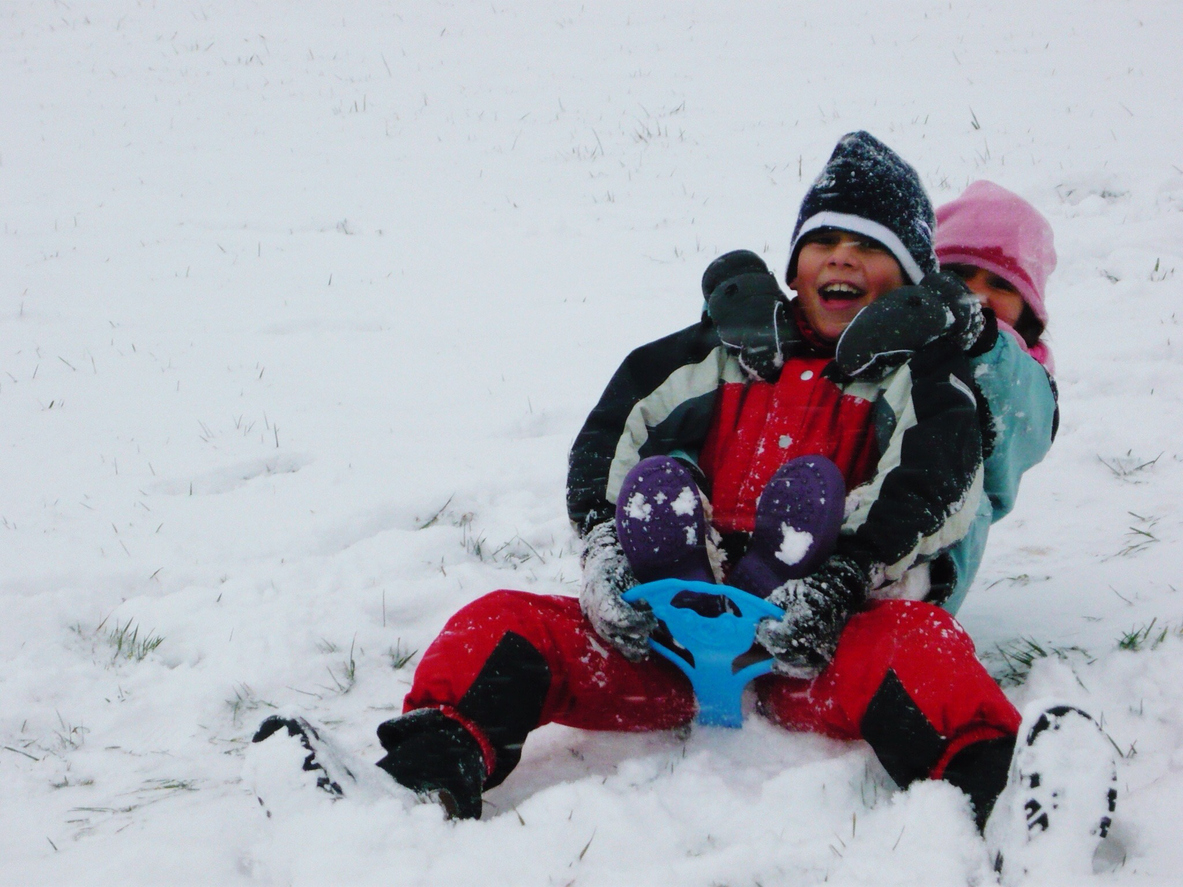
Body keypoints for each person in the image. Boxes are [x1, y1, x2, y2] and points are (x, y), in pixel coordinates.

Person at [251, 134, 1112, 881]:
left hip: (815, 647)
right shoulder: (720, 357)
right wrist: (604, 550)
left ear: (913, 279)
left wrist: (845, 579)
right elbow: (612, 436)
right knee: (501, 624)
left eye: (869, 246)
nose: (841, 259)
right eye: (824, 240)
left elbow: (933, 485)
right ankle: (420, 775)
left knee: (917, 649)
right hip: (661, 640)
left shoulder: (920, 381)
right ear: (792, 263)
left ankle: (1002, 791)